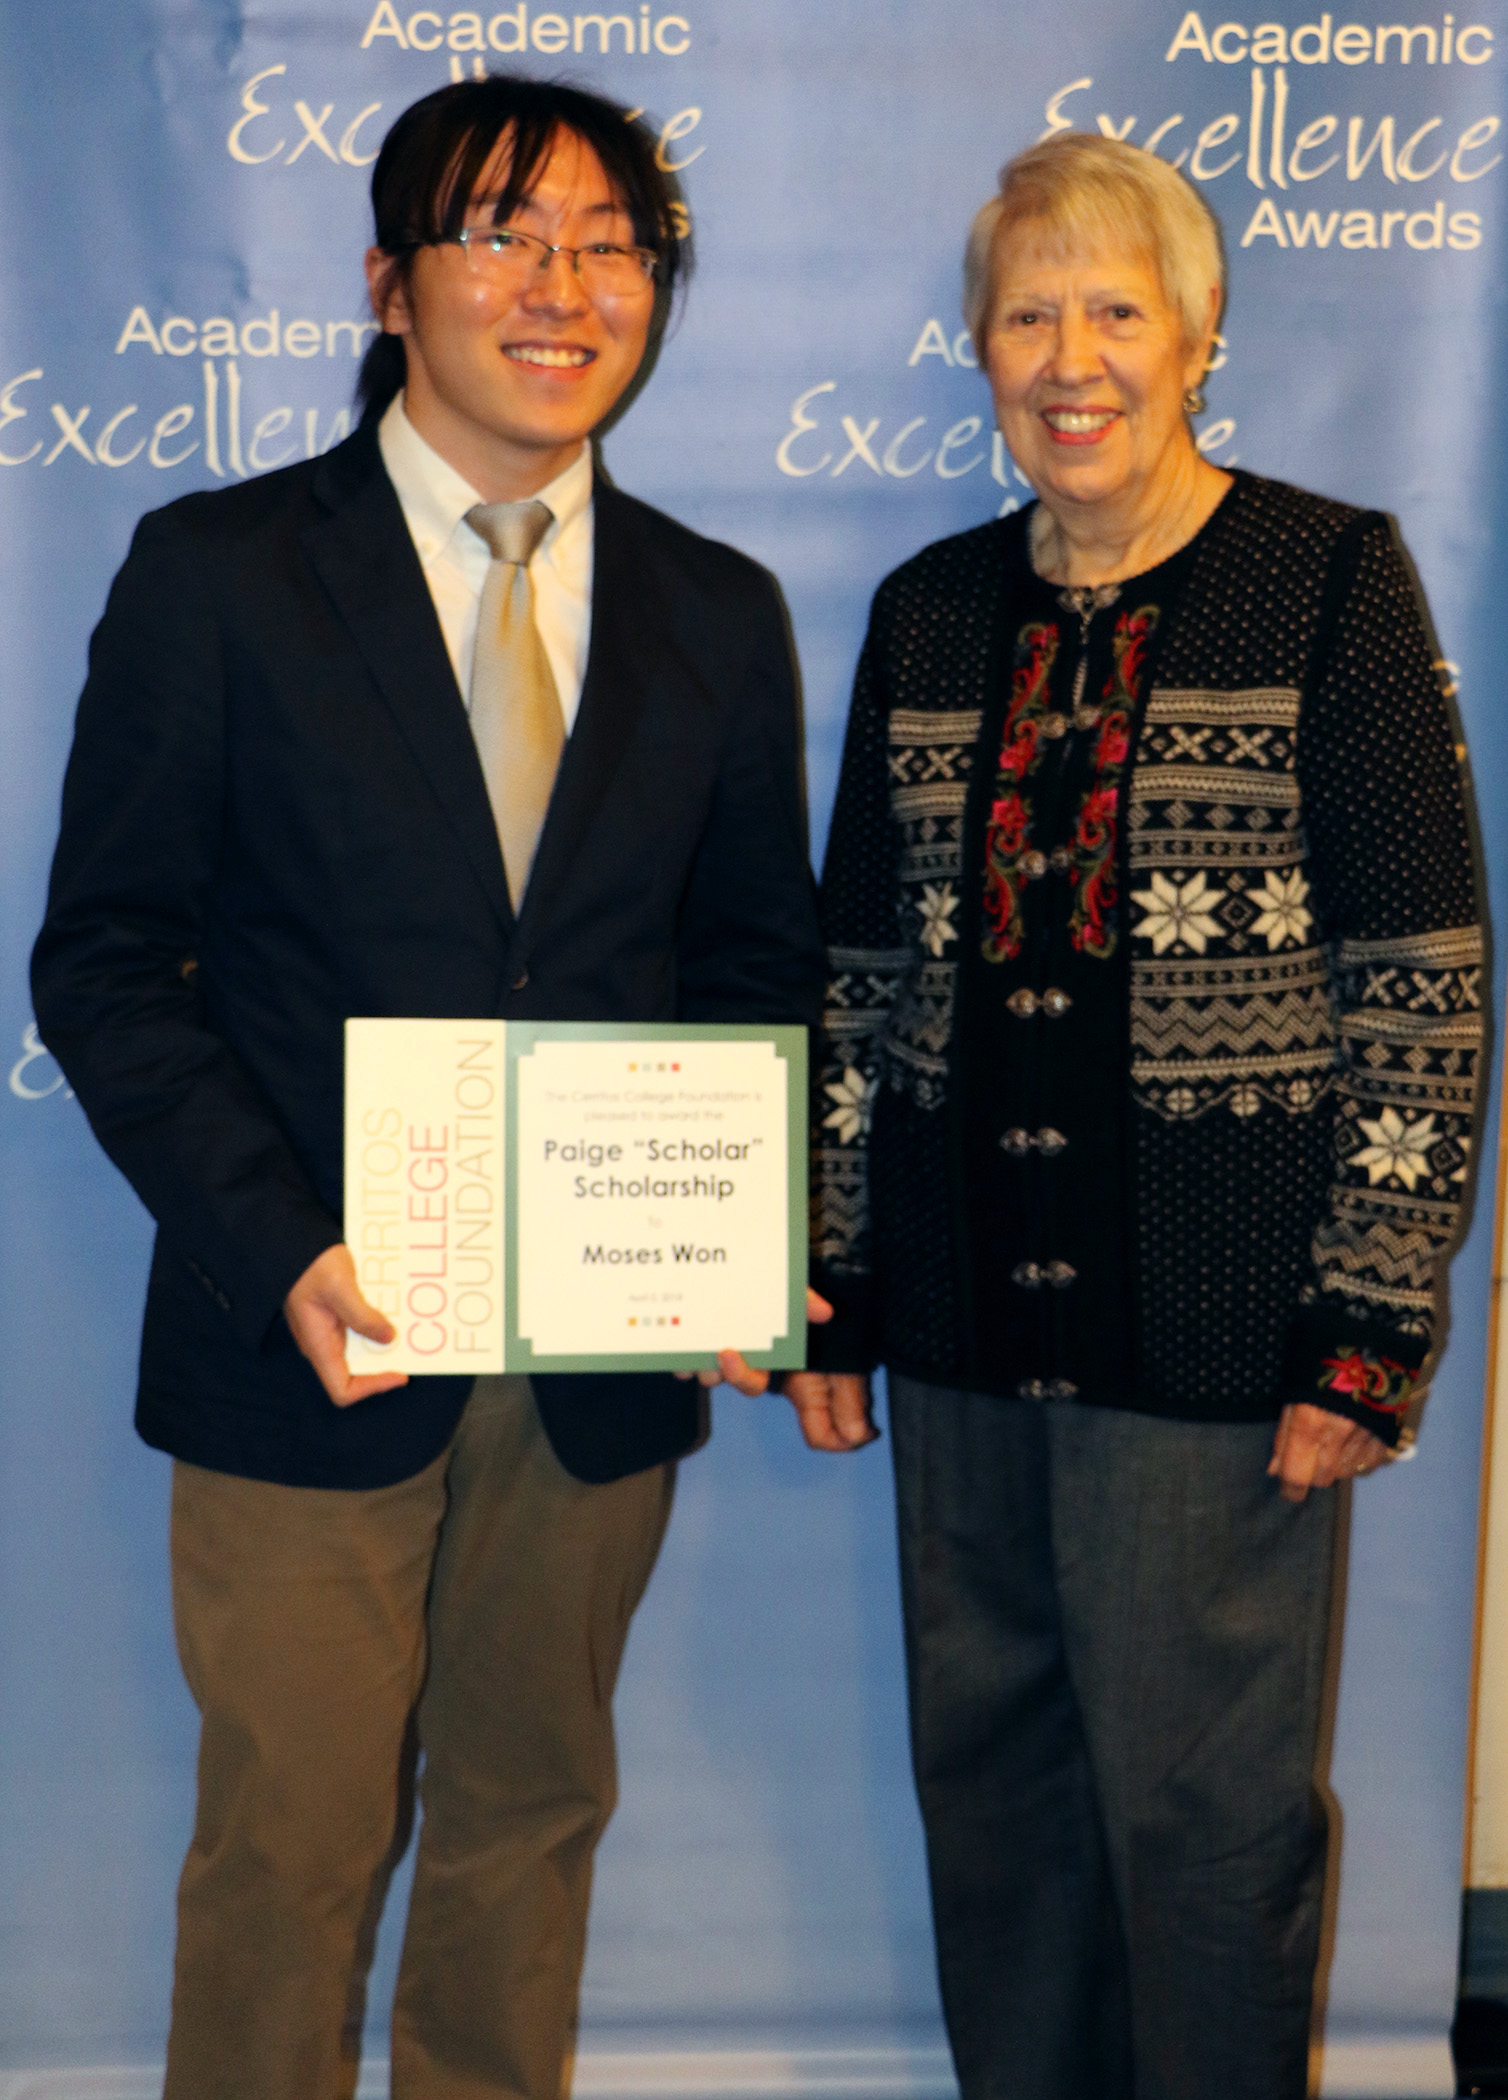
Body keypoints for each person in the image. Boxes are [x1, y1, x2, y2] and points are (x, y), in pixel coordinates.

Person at [31, 75, 824, 2100]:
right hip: (315, 1332)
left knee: (526, 1827)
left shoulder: (716, 612)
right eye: (504, 235)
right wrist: (279, 1245)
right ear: (391, 283)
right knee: (289, 1854)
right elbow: (107, 963)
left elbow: (752, 974)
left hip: (595, 1359)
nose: (563, 286)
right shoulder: (220, 573)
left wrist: (743, 1237)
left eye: (610, 246)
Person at [783, 132, 1483, 2100]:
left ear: (1196, 332)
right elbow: (858, 977)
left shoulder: (1323, 582)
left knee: (1205, 1835)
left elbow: (1420, 982)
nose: (1070, 357)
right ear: (981, 349)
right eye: (1028, 315)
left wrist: (1367, 1323)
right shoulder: (928, 611)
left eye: (1114, 309)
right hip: (959, 1339)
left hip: (1215, 1343)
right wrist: (824, 1278)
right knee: (996, 1819)